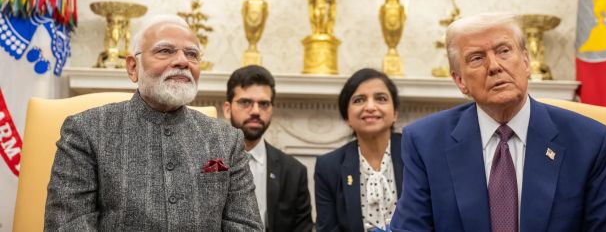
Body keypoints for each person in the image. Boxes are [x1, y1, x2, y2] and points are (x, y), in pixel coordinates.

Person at [391, 13, 606, 231]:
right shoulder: (425, 142)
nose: (494, 66)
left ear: (526, 62)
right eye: (477, 58)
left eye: (504, 51)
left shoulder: (589, 142)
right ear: (460, 81)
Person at [44, 15, 263, 231]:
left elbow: (246, 227)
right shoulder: (85, 131)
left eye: (192, 54)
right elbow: (67, 225)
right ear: (133, 67)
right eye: (165, 51)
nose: (183, 61)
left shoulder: (227, 140)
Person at [223, 65, 313, 232]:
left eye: (264, 104)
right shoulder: (209, 162)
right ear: (227, 109)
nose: (256, 111)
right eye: (246, 102)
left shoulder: (294, 172)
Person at [315, 68, 403, 232]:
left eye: (381, 99)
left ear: (395, 113)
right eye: (359, 100)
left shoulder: (416, 154)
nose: (370, 107)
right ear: (347, 117)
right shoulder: (329, 167)